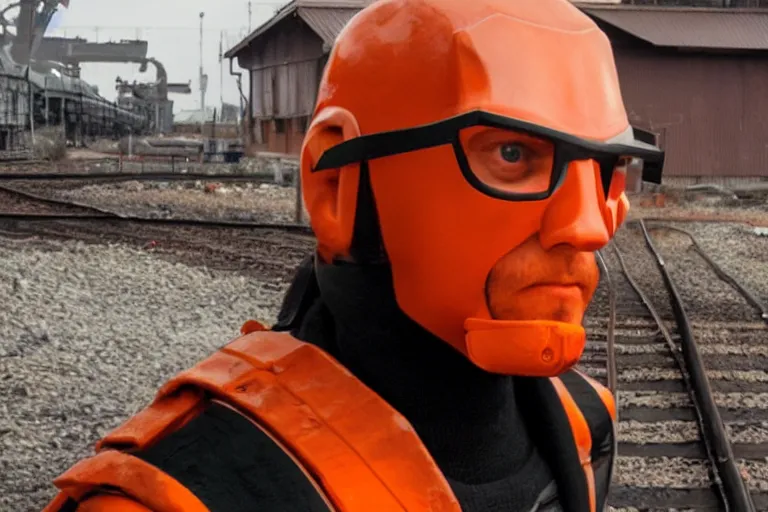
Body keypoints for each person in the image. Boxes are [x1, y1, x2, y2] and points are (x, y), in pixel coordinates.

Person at [41, 0, 664, 510]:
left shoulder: (585, 424)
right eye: (510, 155)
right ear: (336, 187)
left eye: (609, 169)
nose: (588, 227)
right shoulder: (177, 498)